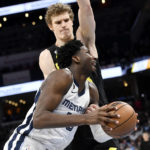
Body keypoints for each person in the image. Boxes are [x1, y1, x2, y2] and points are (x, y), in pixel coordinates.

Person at [3, 40, 120, 150]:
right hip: (29, 144)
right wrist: (86, 118)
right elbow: (38, 120)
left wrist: (119, 128)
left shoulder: (92, 91)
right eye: (87, 53)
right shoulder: (61, 76)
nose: (93, 57)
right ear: (76, 58)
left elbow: (98, 136)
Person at [39, 1, 120, 149]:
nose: (63, 24)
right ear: (51, 26)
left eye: (66, 20)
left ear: (72, 21)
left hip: (102, 124)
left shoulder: (84, 41)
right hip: (74, 134)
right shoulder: (47, 56)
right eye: (58, 22)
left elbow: (86, 8)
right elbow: (54, 99)